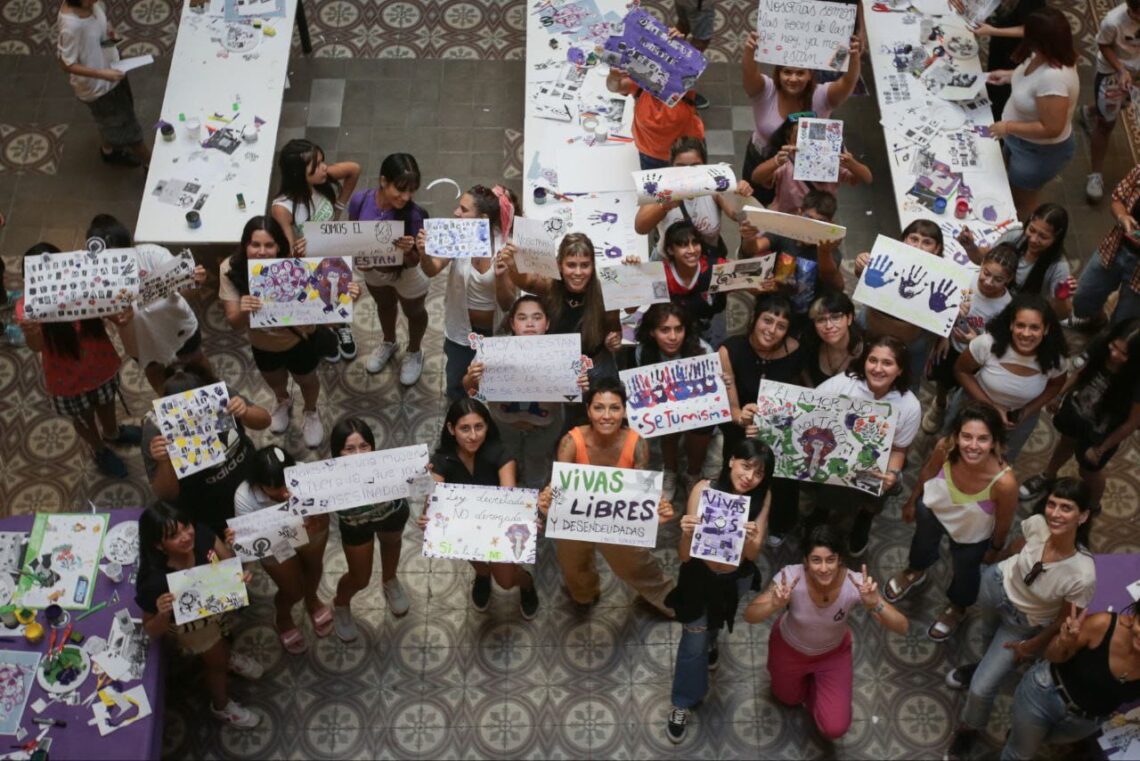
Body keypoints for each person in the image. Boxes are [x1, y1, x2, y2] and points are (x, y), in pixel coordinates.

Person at [944, 478, 1097, 760]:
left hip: (1022, 624)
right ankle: (979, 665)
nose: (1055, 513)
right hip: (996, 586)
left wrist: (1031, 645)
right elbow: (1018, 546)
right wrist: (994, 562)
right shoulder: (1040, 524)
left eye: (1066, 508)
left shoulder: (1082, 574)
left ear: (1083, 515)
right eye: (1052, 504)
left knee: (981, 689)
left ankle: (969, 727)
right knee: (986, 638)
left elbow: (1062, 621)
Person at [743, 525, 908, 741]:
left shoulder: (855, 583)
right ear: (805, 561)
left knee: (835, 727)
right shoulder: (790, 577)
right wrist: (774, 604)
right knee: (788, 699)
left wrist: (876, 603)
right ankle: (812, 686)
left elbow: (902, 626)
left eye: (830, 560)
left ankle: (821, 688)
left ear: (840, 559)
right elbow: (750, 615)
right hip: (789, 649)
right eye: (816, 560)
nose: (823, 569)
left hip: (833, 654)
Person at [665, 438, 774, 743]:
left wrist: (752, 537)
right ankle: (682, 701)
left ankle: (713, 637)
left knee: (717, 622)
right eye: (746, 465)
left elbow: (751, 555)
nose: (749, 476)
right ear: (731, 461)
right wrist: (686, 532)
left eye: (759, 472)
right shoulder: (704, 490)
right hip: (699, 578)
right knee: (692, 644)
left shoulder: (761, 498)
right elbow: (685, 556)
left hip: (733, 580)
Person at [537, 378, 676, 615]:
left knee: (637, 565)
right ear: (588, 411)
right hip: (577, 520)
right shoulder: (571, 441)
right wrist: (548, 498)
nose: (607, 415)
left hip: (617, 522)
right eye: (599, 407)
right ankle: (584, 596)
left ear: (624, 412)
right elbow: (560, 483)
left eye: (615, 408)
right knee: (573, 565)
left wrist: (656, 505)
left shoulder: (636, 444)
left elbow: (641, 488)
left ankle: (671, 601)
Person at [883, 402, 1018, 641]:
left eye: (983, 439)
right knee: (922, 543)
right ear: (956, 437)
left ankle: (958, 606)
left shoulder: (1004, 482)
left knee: (967, 570)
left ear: (995, 442)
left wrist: (994, 549)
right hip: (934, 509)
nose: (973, 446)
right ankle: (916, 570)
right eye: (966, 437)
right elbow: (927, 472)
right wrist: (913, 501)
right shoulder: (945, 448)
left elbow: (1004, 521)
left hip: (972, 532)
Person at [219, 216, 357, 448]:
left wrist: (347, 298)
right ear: (245, 245)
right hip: (262, 343)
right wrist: (244, 309)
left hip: (299, 340)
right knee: (274, 380)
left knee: (308, 380)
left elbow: (328, 315)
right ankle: (283, 401)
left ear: (279, 246)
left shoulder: (298, 264)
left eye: (269, 245)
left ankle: (311, 411)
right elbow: (234, 321)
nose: (262, 252)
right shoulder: (230, 268)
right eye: (255, 245)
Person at [16, 242, 140, 479]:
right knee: (83, 418)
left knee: (106, 403)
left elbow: (119, 317)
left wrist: (127, 309)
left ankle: (113, 432)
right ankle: (99, 449)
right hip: (67, 380)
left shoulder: (85, 285)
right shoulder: (29, 306)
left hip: (101, 366)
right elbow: (37, 346)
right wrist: (31, 331)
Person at [135, 501, 263, 727]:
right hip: (192, 628)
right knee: (216, 663)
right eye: (175, 535)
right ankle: (222, 706)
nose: (186, 536)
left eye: (186, 527)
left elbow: (228, 564)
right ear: (158, 545)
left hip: (217, 609)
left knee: (222, 641)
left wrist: (238, 570)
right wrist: (163, 614)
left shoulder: (202, 535)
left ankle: (226, 657)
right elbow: (149, 630)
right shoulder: (154, 581)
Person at [420, 398, 539, 618]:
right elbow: (431, 506)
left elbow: (509, 499)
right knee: (481, 566)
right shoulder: (441, 461)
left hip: (497, 530)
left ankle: (526, 582)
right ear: (451, 429)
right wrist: (427, 518)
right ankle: (483, 576)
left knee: (505, 581)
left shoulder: (502, 456)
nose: (473, 436)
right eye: (464, 428)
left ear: (487, 426)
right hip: (465, 534)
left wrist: (524, 518)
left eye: (479, 427)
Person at [462, 295, 589, 489]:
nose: (530, 323)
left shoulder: (563, 353)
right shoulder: (494, 351)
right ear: (512, 323)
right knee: (508, 455)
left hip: (545, 427)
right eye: (522, 318)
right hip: (504, 423)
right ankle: (511, 486)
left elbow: (571, 402)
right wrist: (472, 376)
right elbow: (469, 388)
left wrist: (579, 388)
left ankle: (534, 489)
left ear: (547, 323)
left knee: (537, 459)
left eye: (537, 317)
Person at [812, 336, 922, 557]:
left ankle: (864, 518)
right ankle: (820, 512)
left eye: (887, 363)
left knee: (877, 491)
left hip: (874, 465)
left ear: (900, 370)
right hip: (833, 455)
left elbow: (900, 449)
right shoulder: (843, 383)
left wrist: (892, 473)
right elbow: (809, 406)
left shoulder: (910, 405)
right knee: (825, 490)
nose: (878, 368)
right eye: (873, 360)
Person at [1020, 319, 1140, 511]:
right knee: (1066, 441)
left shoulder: (1136, 380)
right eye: (1114, 346)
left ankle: (1092, 508)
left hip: (1102, 431)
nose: (1115, 354)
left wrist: (1101, 449)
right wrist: (1058, 396)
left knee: (1089, 471)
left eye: (1124, 353)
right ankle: (1048, 475)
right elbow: (1078, 374)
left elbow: (1132, 423)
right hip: (1077, 410)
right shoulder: (1100, 348)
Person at [85, 214, 212, 393]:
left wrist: (195, 282)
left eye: (122, 252)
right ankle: (167, 404)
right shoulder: (93, 278)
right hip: (140, 337)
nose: (117, 259)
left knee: (195, 358)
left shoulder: (151, 253)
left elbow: (187, 290)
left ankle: (214, 387)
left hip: (176, 325)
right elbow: (111, 316)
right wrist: (120, 316)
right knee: (154, 370)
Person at [1000, 601, 1140, 760]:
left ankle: (1021, 735)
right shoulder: (1102, 625)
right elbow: (1051, 656)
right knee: (1018, 755)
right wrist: (1063, 643)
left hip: (1085, 723)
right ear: (1134, 615)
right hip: (1044, 696)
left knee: (1037, 739)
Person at [719, 294, 805, 545]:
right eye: (767, 320)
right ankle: (732, 522)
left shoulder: (796, 350)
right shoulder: (729, 350)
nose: (772, 331)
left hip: (781, 434)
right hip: (742, 432)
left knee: (785, 480)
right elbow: (733, 409)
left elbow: (803, 395)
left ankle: (779, 524)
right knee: (740, 475)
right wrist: (742, 417)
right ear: (755, 318)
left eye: (781, 326)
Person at [419, 185, 518, 401]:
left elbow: (508, 303)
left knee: (491, 379)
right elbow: (431, 269)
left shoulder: (507, 247)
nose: (456, 213)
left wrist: (501, 277)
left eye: (464, 210)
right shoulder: (457, 236)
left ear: (482, 217)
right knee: (456, 378)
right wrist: (424, 255)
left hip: (493, 333)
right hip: (460, 330)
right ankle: (457, 409)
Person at [143, 368, 269, 536]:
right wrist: (163, 461)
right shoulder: (155, 430)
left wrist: (245, 411)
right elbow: (167, 495)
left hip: (251, 481)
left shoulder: (220, 396)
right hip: (208, 505)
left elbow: (265, 421)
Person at [232, 446, 332, 654]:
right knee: (292, 589)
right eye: (274, 488)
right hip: (274, 546)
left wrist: (318, 519)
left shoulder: (306, 475)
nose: (283, 492)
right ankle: (283, 616)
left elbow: (324, 519)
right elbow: (251, 540)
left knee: (314, 568)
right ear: (259, 485)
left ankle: (312, 600)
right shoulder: (244, 497)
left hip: (309, 534)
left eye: (286, 484)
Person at [741, 31, 862, 200]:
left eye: (800, 73)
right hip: (762, 160)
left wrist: (854, 57)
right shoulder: (765, 90)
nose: (793, 78)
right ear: (778, 73)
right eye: (787, 72)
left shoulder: (822, 96)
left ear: (810, 75)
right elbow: (749, 73)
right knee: (754, 206)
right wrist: (749, 50)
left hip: (804, 171)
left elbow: (848, 81)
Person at [269, 139, 361, 362]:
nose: (324, 168)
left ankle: (340, 326)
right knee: (318, 304)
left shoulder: (322, 178)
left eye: (322, 161)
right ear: (299, 174)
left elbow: (354, 169)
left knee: (339, 299)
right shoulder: (282, 207)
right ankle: (324, 334)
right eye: (316, 166)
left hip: (333, 253)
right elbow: (289, 256)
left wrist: (338, 208)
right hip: (311, 263)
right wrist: (301, 248)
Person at [950, 293, 1069, 463]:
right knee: (955, 452)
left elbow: (1056, 385)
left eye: (1035, 327)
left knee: (999, 461)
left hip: (1017, 422)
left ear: (1047, 329)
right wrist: (991, 407)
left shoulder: (1055, 360)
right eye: (1020, 325)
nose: (1026, 334)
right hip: (973, 406)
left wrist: (1027, 411)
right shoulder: (986, 344)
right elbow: (961, 371)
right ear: (1011, 324)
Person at [985, 8, 1079, 221]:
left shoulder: (1054, 79)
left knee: (1022, 201)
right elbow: (1031, 82)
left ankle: (1020, 234)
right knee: (1005, 180)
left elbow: (1051, 128)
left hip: (1037, 153)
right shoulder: (1044, 55)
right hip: (1019, 141)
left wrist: (1007, 127)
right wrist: (1010, 76)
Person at [346, 153, 431, 383]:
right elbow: (355, 234)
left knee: (414, 311)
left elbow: (415, 261)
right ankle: (389, 342)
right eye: (400, 189)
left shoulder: (414, 215)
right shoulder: (360, 201)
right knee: (384, 305)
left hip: (406, 273)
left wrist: (406, 251)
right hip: (374, 272)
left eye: (411, 190)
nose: (406, 197)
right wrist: (359, 258)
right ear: (384, 181)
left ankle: (414, 351)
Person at [621, 302, 716, 500]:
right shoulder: (643, 352)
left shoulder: (702, 350)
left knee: (702, 428)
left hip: (696, 408)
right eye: (665, 330)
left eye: (678, 329)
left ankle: (693, 473)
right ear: (652, 332)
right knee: (666, 419)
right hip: (665, 411)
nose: (673, 337)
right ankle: (670, 470)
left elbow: (711, 397)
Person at [328, 417, 412, 641]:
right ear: (337, 453)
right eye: (349, 449)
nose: (359, 454)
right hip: (356, 526)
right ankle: (341, 604)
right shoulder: (324, 480)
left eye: (364, 446)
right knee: (359, 578)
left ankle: (390, 580)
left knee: (392, 544)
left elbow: (417, 479)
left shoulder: (387, 466)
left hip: (391, 515)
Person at [922, 245, 1018, 433]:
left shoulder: (1007, 307)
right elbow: (941, 308)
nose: (989, 282)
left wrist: (977, 340)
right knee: (942, 378)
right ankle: (940, 404)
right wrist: (944, 334)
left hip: (975, 357)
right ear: (981, 265)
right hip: (949, 345)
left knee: (966, 390)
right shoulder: (965, 279)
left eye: (998, 279)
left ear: (1009, 279)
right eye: (986, 273)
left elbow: (1000, 341)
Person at [502, 232, 622, 380]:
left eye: (584, 265)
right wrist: (513, 265)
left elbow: (615, 330)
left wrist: (613, 341)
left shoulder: (605, 293)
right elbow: (525, 281)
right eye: (571, 265)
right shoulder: (549, 285)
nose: (578, 272)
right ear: (559, 265)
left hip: (595, 366)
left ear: (593, 266)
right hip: (556, 368)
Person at [854, 220, 946, 388]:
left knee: (909, 382)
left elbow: (951, 307)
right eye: (914, 238)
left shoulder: (945, 276)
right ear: (904, 240)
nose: (918, 246)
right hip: (870, 327)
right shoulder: (885, 256)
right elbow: (862, 278)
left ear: (937, 248)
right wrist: (861, 264)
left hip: (912, 340)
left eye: (926, 242)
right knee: (858, 369)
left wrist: (947, 331)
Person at [57, 0, 149, 166]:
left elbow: (95, 33)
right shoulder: (71, 26)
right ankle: (150, 164)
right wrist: (101, 74)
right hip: (101, 89)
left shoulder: (93, 5)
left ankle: (109, 150)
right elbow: (66, 63)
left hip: (114, 70)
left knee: (115, 119)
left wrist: (108, 34)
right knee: (130, 131)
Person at [633, 136, 754, 260]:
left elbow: (737, 214)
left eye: (695, 166)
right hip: (669, 264)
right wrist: (663, 206)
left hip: (706, 265)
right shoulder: (659, 188)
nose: (688, 173)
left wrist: (741, 195)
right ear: (671, 167)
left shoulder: (714, 186)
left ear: (705, 166)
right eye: (681, 167)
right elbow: (640, 227)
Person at [747, 190, 845, 330]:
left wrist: (824, 251)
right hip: (773, 305)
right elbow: (755, 247)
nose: (812, 227)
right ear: (799, 213)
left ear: (830, 224)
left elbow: (834, 283)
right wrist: (749, 236)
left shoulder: (831, 252)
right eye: (808, 218)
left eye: (820, 223)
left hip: (808, 315)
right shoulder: (784, 232)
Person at [958, 202, 1076, 319]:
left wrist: (1061, 299)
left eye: (1043, 237)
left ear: (1056, 238)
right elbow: (985, 260)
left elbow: (1062, 315)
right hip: (987, 299)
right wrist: (971, 246)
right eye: (1032, 230)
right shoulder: (1015, 235)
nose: (1034, 240)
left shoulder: (1059, 267)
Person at [750, 115, 872, 215]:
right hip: (785, 220)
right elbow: (756, 177)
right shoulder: (786, 162)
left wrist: (852, 164)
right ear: (789, 140)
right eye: (801, 136)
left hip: (818, 222)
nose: (808, 142)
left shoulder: (833, 162)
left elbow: (867, 178)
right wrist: (776, 161)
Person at [1068, 164, 1140, 328]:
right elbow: (1117, 199)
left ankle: (1110, 346)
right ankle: (1094, 321)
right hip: (1115, 247)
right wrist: (1123, 217)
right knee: (1084, 297)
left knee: (1124, 322)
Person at [1082, 0, 1140, 202]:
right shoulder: (1113, 21)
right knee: (1107, 123)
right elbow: (1103, 44)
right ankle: (1095, 175)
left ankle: (1090, 111)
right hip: (1112, 74)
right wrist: (1121, 70)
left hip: (1136, 74)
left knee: (1123, 105)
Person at [606, 58, 705, 171]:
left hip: (687, 153)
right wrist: (614, 77)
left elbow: (693, 60)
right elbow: (614, 87)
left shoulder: (681, 81)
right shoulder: (642, 82)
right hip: (651, 155)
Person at [658, 221, 727, 346]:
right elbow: (631, 309)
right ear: (670, 250)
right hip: (675, 334)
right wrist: (632, 268)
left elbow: (751, 284)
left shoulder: (717, 267)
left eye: (695, 243)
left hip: (711, 326)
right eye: (684, 245)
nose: (692, 250)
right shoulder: (661, 275)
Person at [802, 291, 863, 387]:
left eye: (835, 317)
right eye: (821, 320)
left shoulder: (867, 351)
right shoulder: (810, 346)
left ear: (849, 318)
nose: (828, 326)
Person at [674, 0, 714, 109]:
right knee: (701, 40)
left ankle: (665, 67)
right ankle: (678, 88)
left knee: (683, 24)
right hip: (698, 3)